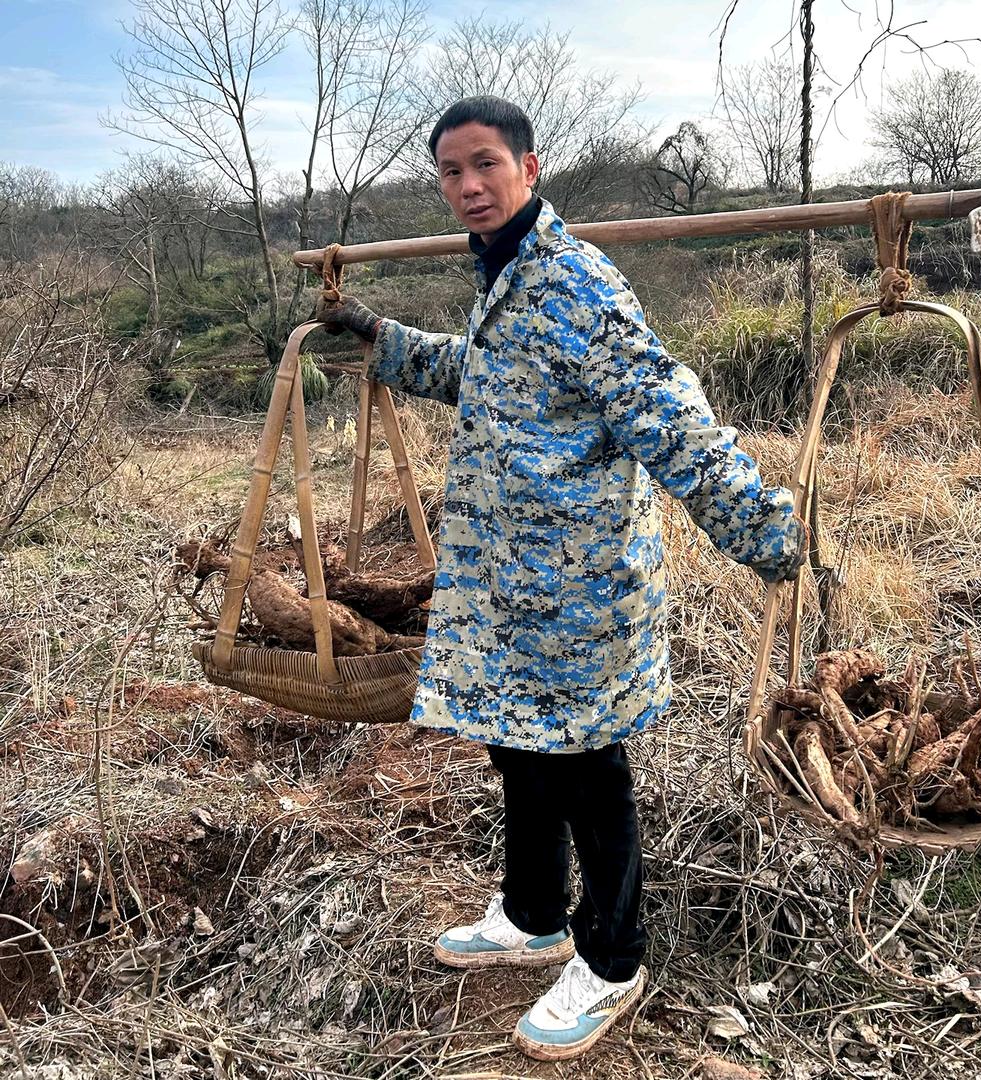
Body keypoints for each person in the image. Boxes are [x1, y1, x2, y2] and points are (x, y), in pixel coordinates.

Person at [317, 96, 806, 1062]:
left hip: (582, 591)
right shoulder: (501, 276)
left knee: (588, 769)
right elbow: (492, 374)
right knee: (519, 747)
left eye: (486, 165)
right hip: (507, 583)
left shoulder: (577, 285)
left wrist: (765, 529)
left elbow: (670, 418)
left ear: (530, 170)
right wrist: (386, 340)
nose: (468, 187)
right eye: (452, 171)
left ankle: (613, 960)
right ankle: (533, 912)